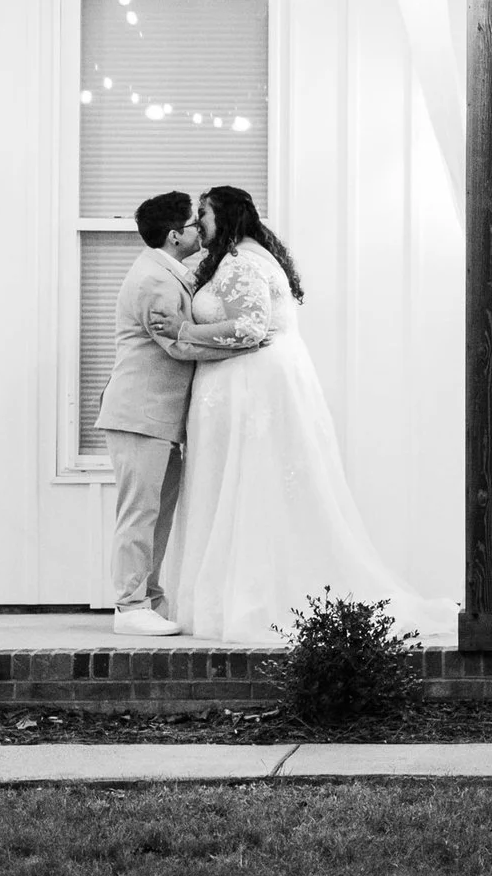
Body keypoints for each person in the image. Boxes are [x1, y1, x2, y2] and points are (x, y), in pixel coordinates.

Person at [156, 185, 454, 642]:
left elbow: (252, 327)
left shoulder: (243, 262)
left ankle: (257, 598)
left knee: (254, 487)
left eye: (205, 214)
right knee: (245, 487)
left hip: (254, 389)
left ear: (228, 217)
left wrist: (186, 330)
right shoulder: (243, 258)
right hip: (247, 389)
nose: (199, 222)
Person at [94, 192, 258, 637]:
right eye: (193, 223)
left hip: (161, 420)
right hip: (139, 415)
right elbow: (177, 344)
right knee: (139, 513)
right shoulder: (154, 282)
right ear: (174, 235)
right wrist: (247, 340)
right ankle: (129, 607)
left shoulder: (170, 273)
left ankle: (149, 600)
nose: (198, 230)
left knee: (158, 514)